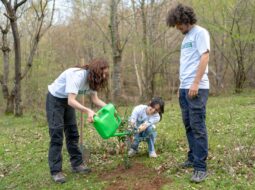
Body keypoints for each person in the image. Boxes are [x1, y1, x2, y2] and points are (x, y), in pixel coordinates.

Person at [46, 58, 109, 183]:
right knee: (57, 135)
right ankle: (56, 171)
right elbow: (71, 100)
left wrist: (109, 108)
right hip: (55, 99)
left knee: (73, 133)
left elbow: (95, 100)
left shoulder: (93, 80)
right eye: (103, 73)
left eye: (106, 73)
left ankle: (77, 164)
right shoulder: (78, 75)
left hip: (68, 101)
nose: (105, 76)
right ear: (96, 71)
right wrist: (88, 111)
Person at [166, 4, 210, 183]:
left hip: (197, 88)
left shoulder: (200, 33)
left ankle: (200, 167)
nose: (177, 28)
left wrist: (196, 82)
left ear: (185, 20)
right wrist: (181, 86)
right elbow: (186, 64)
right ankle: (193, 157)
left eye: (178, 24)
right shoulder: (185, 38)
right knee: (189, 125)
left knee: (198, 126)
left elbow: (204, 56)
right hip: (185, 88)